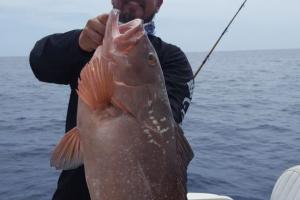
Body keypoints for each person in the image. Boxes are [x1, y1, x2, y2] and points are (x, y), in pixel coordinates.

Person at [29, 0, 194, 199]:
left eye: (150, 59)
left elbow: (165, 121)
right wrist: (79, 43)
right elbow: (39, 63)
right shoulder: (87, 46)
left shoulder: (173, 59)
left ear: (158, 3)